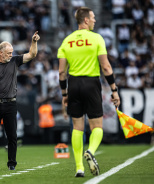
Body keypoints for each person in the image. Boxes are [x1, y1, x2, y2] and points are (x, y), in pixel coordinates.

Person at [57, 7, 120, 177]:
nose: (94, 20)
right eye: (92, 18)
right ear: (85, 20)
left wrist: (64, 94)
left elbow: (62, 72)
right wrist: (114, 90)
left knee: (77, 128)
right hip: (91, 83)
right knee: (96, 126)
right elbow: (106, 67)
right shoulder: (97, 38)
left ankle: (79, 167)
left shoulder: (66, 41)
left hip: (74, 84)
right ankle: (91, 151)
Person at [0, 31, 40, 171]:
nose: (11, 55)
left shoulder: (14, 61)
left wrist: (34, 42)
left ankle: (12, 163)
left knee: (12, 135)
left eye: (12, 52)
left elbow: (32, 54)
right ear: (1, 53)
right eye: (9, 53)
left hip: (10, 104)